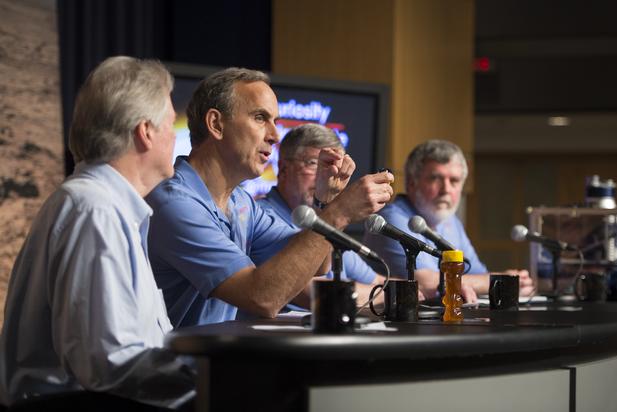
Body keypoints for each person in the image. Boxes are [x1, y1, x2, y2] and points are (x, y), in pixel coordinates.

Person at [0, 57, 195, 409]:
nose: (175, 136)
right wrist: (210, 375)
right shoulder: (96, 211)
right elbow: (110, 364)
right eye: (170, 124)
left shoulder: (101, 205)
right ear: (145, 131)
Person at [146, 68, 393, 327]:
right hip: (181, 354)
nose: (275, 136)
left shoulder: (241, 202)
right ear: (216, 124)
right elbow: (263, 298)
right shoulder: (176, 203)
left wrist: (326, 201)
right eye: (260, 118)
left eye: (275, 121)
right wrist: (340, 212)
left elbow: (317, 265)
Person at [364, 140, 534, 298]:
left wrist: (511, 281)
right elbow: (427, 283)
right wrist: (502, 281)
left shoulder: (451, 222)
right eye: (435, 178)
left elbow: (475, 273)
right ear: (411, 183)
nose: (446, 189)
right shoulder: (392, 218)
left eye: (454, 181)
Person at [258, 123, 388, 305]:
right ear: (284, 168)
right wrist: (388, 294)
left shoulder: (328, 224)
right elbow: (321, 296)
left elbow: (380, 281)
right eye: (313, 164)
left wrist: (402, 290)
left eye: (333, 167)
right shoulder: (262, 217)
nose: (325, 177)